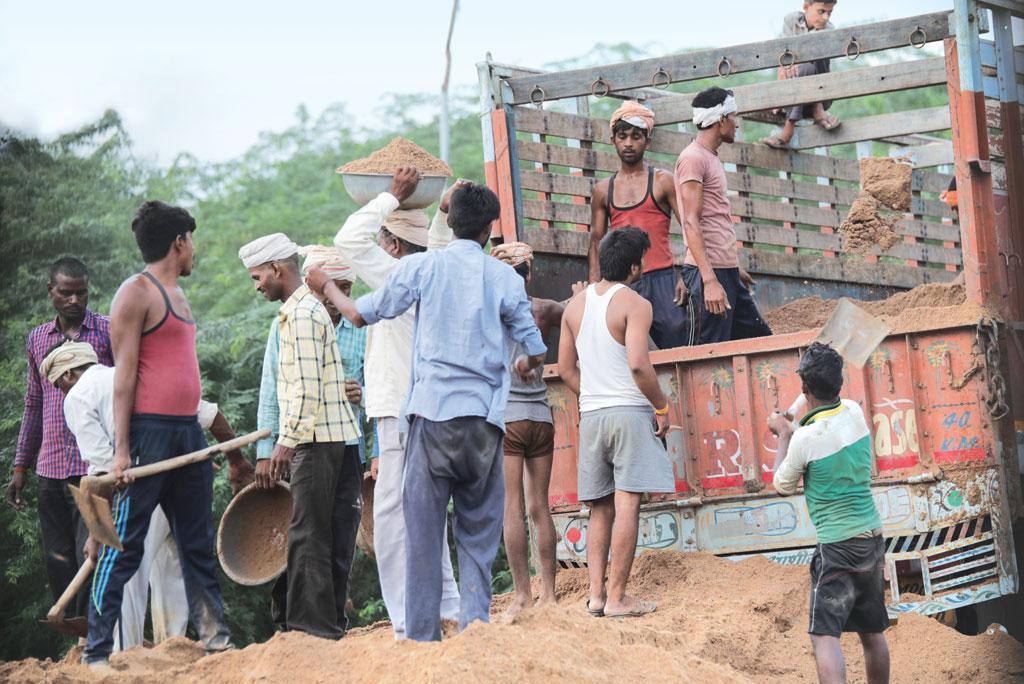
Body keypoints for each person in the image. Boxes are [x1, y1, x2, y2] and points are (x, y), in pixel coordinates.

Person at [306, 181, 547, 642]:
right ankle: (476, 632)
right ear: (488, 229)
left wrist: (326, 289)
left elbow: (357, 315)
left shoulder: (421, 269)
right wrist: (522, 362)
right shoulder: (504, 279)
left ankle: (420, 640)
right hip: (484, 426)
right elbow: (535, 351)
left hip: (430, 422)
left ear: (449, 221)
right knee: (476, 538)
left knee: (421, 537)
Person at [83, 200, 232, 670]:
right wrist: (122, 452)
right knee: (123, 543)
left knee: (195, 544)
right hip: (150, 436)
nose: (194, 251)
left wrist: (195, 441)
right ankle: (96, 652)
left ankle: (216, 641)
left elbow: (182, 372)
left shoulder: (180, 297)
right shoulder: (135, 294)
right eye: (192, 242)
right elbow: (124, 376)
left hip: (187, 436)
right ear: (179, 242)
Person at [42, 340, 253, 652]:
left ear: (68, 375)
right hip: (186, 486)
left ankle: (126, 656)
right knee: (175, 571)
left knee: (126, 578)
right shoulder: (140, 377)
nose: (61, 391)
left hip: (142, 489)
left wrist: (98, 532)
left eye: (59, 385)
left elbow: (102, 470)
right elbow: (212, 416)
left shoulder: (78, 396)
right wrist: (238, 462)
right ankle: (173, 647)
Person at [332, 167, 461, 638]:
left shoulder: (396, 272)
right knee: (430, 507)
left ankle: (408, 617)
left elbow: (348, 239)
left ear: (389, 244)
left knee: (392, 514)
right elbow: (442, 241)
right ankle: (446, 604)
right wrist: (444, 214)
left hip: (399, 409)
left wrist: (389, 196)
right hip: (433, 404)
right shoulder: (440, 267)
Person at [239, 232, 362, 640]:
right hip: (330, 436)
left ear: (278, 269)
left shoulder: (304, 314)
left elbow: (305, 390)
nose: (257, 286)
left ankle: (310, 632)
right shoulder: (302, 312)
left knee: (308, 534)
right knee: (327, 534)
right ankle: (327, 626)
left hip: (316, 440)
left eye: (258, 277)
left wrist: (284, 444)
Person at [558, 227, 675, 619]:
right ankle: (619, 597)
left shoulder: (575, 305)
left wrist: (591, 394)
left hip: (591, 416)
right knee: (627, 504)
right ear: (634, 265)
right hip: (628, 412)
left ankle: (596, 596)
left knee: (600, 510)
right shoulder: (636, 304)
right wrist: (661, 406)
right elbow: (639, 365)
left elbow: (564, 368)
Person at [769, 342, 890, 684]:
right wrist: (794, 432)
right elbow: (826, 422)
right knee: (872, 632)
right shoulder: (853, 412)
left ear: (804, 388)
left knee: (824, 636)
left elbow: (781, 485)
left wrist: (782, 436)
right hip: (871, 539)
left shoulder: (804, 439)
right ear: (840, 382)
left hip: (837, 547)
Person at [7, 257, 113, 621]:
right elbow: (33, 404)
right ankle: (70, 635)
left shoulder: (106, 331)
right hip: (50, 466)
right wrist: (21, 465)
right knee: (58, 557)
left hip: (92, 467)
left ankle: (92, 638)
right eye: (65, 293)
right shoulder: (38, 338)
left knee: (93, 553)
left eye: (81, 292)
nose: (74, 300)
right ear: (51, 291)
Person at [490, 242, 562, 616]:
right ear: (529, 273)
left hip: (508, 419)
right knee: (540, 507)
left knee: (512, 508)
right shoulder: (546, 309)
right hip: (541, 417)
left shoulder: (491, 311)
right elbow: (578, 315)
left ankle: (522, 596)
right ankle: (549, 595)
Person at [675, 87, 773, 345]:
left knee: (761, 342)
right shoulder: (693, 158)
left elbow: (714, 218)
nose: (737, 124)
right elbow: (691, 221)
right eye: (734, 116)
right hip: (709, 275)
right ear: (721, 120)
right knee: (709, 354)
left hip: (725, 271)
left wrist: (732, 266)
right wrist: (708, 280)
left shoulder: (710, 158)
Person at [589, 101, 687, 349]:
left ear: (648, 141)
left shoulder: (663, 181)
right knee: (618, 349)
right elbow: (596, 241)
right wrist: (594, 289)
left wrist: (687, 274)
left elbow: (690, 227)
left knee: (677, 341)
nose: (629, 143)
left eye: (636, 137)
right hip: (622, 282)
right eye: (622, 137)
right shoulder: (602, 190)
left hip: (662, 278)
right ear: (613, 140)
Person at [761, 1, 841, 149]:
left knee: (810, 59)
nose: (825, 17)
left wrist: (794, 62)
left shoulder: (828, 30)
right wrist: (779, 97)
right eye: (821, 11)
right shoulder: (791, 21)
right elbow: (784, 57)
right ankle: (817, 112)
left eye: (829, 13)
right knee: (805, 69)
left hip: (822, 94)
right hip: (792, 94)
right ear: (806, 7)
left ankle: (789, 128)